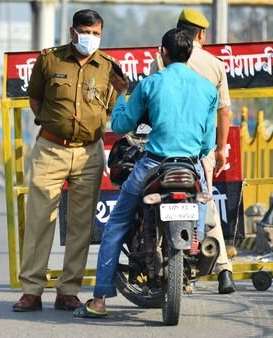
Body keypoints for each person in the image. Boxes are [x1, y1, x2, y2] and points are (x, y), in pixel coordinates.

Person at [73, 27, 217, 318]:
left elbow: (122, 125)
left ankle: (99, 300)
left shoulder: (151, 84)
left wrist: (123, 94)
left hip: (153, 165)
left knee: (116, 226)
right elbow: (207, 143)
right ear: (190, 53)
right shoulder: (207, 88)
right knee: (203, 201)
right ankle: (195, 244)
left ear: (162, 53)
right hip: (189, 165)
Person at [12, 9, 118, 312]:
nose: (91, 38)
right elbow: (35, 98)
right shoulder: (49, 60)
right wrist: (54, 124)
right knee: (39, 220)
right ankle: (31, 291)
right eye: (86, 32)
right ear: (73, 32)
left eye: (96, 33)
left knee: (82, 225)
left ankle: (68, 290)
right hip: (50, 149)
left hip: (89, 153)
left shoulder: (108, 67)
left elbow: (110, 107)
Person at [150, 8, 235, 294]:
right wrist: (220, 149)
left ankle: (168, 269)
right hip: (199, 150)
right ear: (201, 34)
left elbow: (148, 106)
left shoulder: (159, 62)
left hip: (161, 150)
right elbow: (224, 113)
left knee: (150, 204)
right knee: (204, 203)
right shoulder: (214, 65)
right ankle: (223, 269)